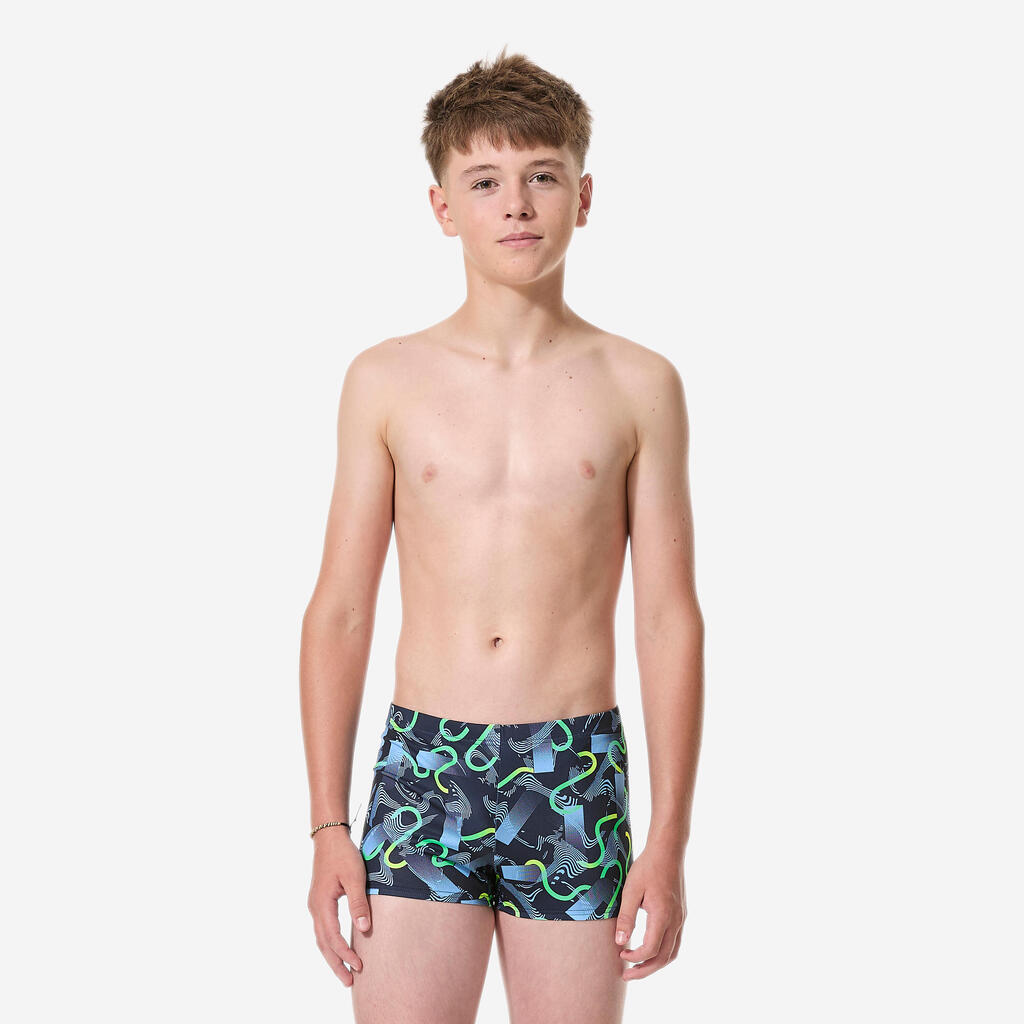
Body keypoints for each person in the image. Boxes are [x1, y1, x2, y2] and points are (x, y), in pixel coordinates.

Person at [299, 46, 704, 1024]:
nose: (516, 205)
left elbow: (667, 619)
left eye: (542, 177)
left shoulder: (639, 384)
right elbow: (341, 609)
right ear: (443, 207)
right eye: (484, 182)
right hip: (425, 766)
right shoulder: (386, 380)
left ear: (584, 196)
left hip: (572, 768)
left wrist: (668, 841)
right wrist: (326, 824)